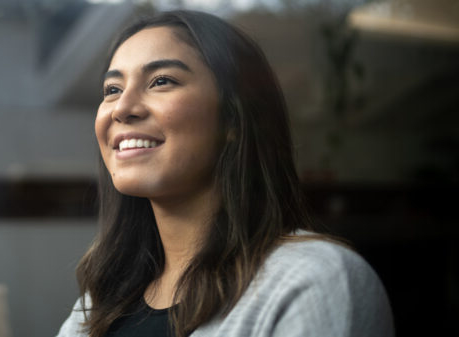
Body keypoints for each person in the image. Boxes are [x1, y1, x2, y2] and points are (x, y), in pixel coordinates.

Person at [56, 10, 393, 337]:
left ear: (233, 118)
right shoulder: (97, 304)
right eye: (112, 90)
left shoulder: (315, 280)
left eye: (161, 81)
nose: (123, 108)